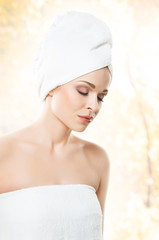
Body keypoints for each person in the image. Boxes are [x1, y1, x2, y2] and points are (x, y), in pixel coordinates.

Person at [0, 10, 113, 240]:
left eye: (101, 96)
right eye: (83, 91)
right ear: (52, 84)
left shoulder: (97, 160)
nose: (94, 105)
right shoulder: (4, 154)